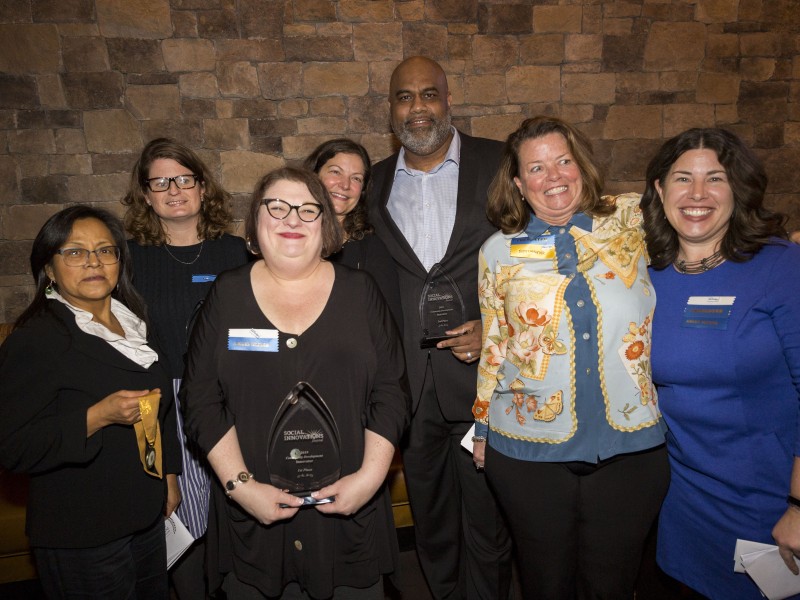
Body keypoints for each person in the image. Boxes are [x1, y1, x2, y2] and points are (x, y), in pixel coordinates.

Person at [181, 166, 410, 598]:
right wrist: (240, 487)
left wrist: (370, 478)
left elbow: (391, 389)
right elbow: (200, 398)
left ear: (325, 224)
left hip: (348, 513)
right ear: (255, 221)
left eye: (308, 210)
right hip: (254, 516)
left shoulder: (361, 292)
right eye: (278, 207)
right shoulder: (226, 295)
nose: (292, 219)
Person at [472, 116, 669, 599]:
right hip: (526, 450)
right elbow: (495, 344)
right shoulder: (497, 252)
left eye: (563, 161)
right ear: (518, 184)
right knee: (545, 582)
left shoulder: (632, 223)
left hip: (631, 449)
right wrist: (481, 427)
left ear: (581, 165)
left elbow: (702, 226)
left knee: (614, 583)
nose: (553, 176)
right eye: (536, 168)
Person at [368, 56, 513, 599]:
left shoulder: (499, 162)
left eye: (429, 94)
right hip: (409, 386)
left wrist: (497, 328)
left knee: (489, 523)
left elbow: (532, 261)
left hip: (483, 380)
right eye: (405, 97)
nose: (418, 107)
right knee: (430, 523)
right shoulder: (374, 184)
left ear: (448, 100)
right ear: (391, 110)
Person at [640, 128, 800, 598]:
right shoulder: (644, 274)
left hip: (770, 503)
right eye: (682, 178)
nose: (696, 195)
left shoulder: (781, 267)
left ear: (738, 189)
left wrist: (798, 504)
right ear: (659, 190)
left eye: (716, 179)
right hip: (683, 504)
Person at [0, 205, 181, 599]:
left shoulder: (135, 322)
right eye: (75, 252)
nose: (93, 261)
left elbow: (160, 407)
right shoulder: (36, 340)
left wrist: (169, 476)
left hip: (145, 514)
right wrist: (96, 417)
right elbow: (11, 447)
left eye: (105, 250)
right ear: (49, 268)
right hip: (82, 530)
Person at [123, 137, 250, 599]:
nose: (174, 189)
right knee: (178, 515)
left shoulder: (237, 252)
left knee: (240, 504)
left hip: (232, 395)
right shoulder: (129, 261)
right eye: (160, 181)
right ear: (145, 194)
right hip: (161, 403)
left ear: (202, 186)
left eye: (184, 178)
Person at [304, 138, 402, 328]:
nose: (345, 185)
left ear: (363, 191)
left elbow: (389, 329)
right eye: (335, 172)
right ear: (313, 175)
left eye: (356, 178)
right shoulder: (286, 241)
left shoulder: (371, 250)